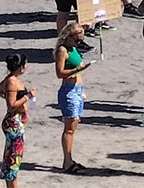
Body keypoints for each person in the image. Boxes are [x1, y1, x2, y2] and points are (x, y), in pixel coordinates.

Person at [54, 21, 90, 175]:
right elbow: (59, 73)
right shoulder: (62, 50)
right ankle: (67, 161)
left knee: (73, 125)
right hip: (69, 90)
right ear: (68, 37)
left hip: (77, 89)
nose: (79, 42)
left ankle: (69, 159)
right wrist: (77, 69)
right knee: (69, 128)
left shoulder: (73, 48)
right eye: (77, 39)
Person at [0, 53, 29, 184]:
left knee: (12, 158)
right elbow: (11, 106)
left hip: (17, 121)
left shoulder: (11, 78)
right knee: (13, 160)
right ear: (21, 67)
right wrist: (27, 97)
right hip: (14, 123)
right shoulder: (12, 81)